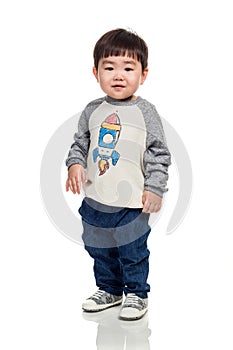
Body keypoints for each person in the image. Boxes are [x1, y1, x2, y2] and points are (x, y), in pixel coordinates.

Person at [65, 28, 171, 320]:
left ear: (143, 74)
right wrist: (75, 164)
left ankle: (137, 293)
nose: (118, 75)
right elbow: (80, 144)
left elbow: (158, 153)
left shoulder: (145, 112)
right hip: (96, 198)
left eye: (128, 68)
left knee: (132, 249)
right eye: (109, 68)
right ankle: (110, 289)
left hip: (132, 202)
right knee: (98, 247)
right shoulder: (92, 110)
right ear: (96, 72)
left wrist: (155, 187)